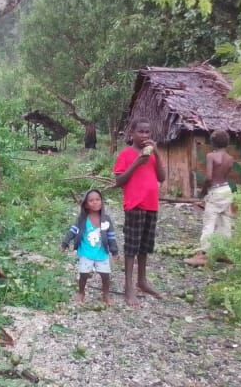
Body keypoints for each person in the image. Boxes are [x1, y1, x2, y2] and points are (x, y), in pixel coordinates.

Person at [113, 117, 166, 307]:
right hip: (134, 205)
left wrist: (157, 154)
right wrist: (137, 162)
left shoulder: (152, 154)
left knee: (145, 246)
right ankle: (129, 288)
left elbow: (162, 177)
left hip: (152, 205)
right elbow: (119, 182)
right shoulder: (126, 154)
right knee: (131, 247)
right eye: (141, 131)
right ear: (132, 133)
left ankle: (142, 281)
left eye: (147, 132)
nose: (144, 135)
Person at [184, 130, 234, 267]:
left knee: (209, 223)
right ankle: (223, 252)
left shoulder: (211, 156)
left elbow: (209, 177)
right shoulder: (230, 159)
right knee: (225, 222)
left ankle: (203, 255)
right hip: (227, 190)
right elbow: (224, 176)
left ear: (212, 142)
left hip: (215, 191)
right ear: (227, 143)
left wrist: (203, 193)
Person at [61, 189, 119, 305]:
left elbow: (111, 236)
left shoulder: (106, 219)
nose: (95, 202)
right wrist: (65, 243)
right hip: (86, 253)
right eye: (91, 200)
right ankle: (81, 292)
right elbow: (73, 231)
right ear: (86, 205)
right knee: (84, 274)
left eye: (97, 199)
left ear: (101, 202)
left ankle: (106, 294)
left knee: (105, 275)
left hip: (101, 253)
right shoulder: (82, 219)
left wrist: (114, 251)